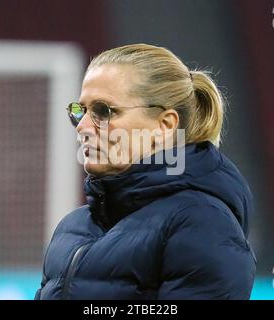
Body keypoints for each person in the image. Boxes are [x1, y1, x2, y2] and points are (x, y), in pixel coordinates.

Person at [35, 44, 256, 300]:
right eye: (80, 111)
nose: (82, 127)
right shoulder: (72, 227)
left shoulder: (204, 222)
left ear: (165, 126)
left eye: (104, 111)